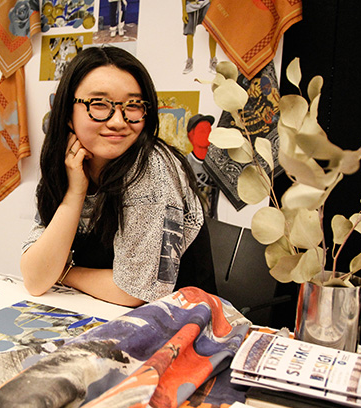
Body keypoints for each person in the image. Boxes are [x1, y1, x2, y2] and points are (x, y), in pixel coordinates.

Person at [21, 46, 216, 307]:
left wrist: (65, 273)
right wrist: (75, 193)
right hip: (101, 313)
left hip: (181, 325)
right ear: (68, 113)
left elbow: (136, 293)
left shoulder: (151, 168)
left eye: (133, 105)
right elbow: (35, 278)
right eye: (99, 104)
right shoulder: (68, 165)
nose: (118, 120)